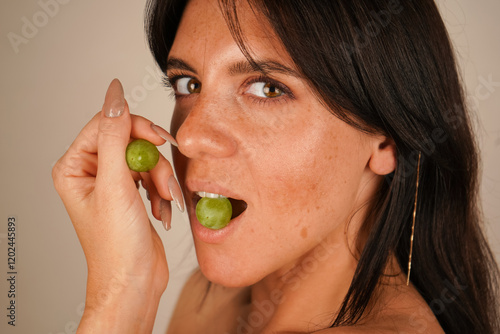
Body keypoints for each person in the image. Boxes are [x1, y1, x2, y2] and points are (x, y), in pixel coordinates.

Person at [52, 0, 500, 333]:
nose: (187, 137)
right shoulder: (207, 303)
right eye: (188, 83)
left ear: (386, 140)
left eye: (267, 88)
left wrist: (118, 301)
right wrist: (129, 285)